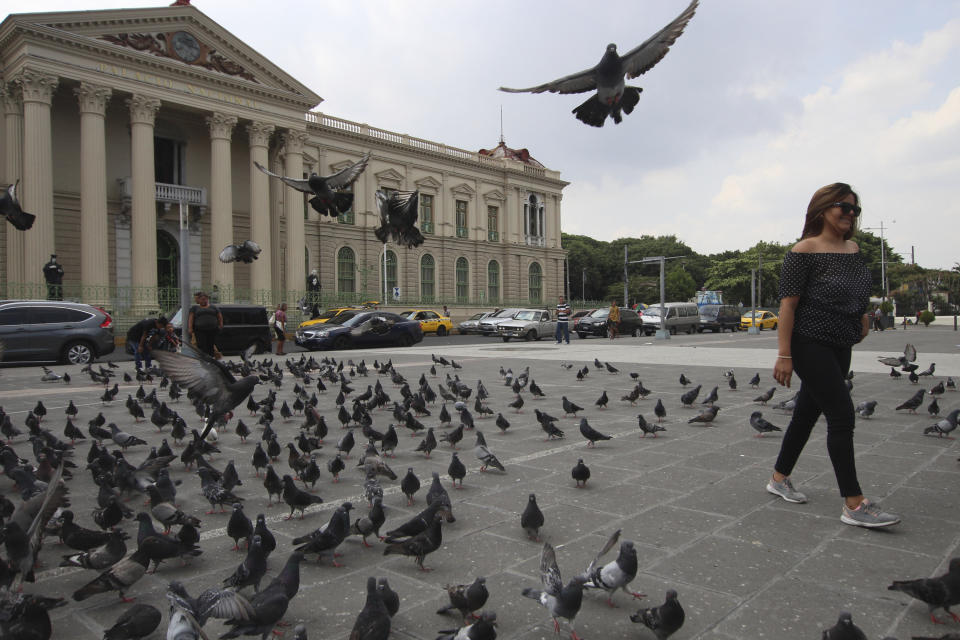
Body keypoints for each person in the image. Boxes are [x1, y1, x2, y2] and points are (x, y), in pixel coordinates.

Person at [769, 182, 899, 528]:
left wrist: (863, 316)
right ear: (823, 208)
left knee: (807, 414)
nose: (850, 214)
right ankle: (854, 503)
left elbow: (860, 292)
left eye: (855, 209)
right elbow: (788, 305)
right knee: (842, 415)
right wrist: (784, 355)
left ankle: (778, 479)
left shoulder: (855, 249)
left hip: (842, 343)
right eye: (844, 207)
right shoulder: (804, 251)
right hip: (809, 343)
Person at [188, 291, 222, 358]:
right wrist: (190, 328)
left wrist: (220, 325)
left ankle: (211, 358)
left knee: (211, 345)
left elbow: (219, 316)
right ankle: (203, 359)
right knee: (201, 345)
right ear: (199, 300)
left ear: (207, 299)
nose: (203, 301)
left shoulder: (213, 307)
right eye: (201, 299)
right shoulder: (195, 308)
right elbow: (191, 318)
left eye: (205, 299)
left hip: (212, 330)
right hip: (200, 331)